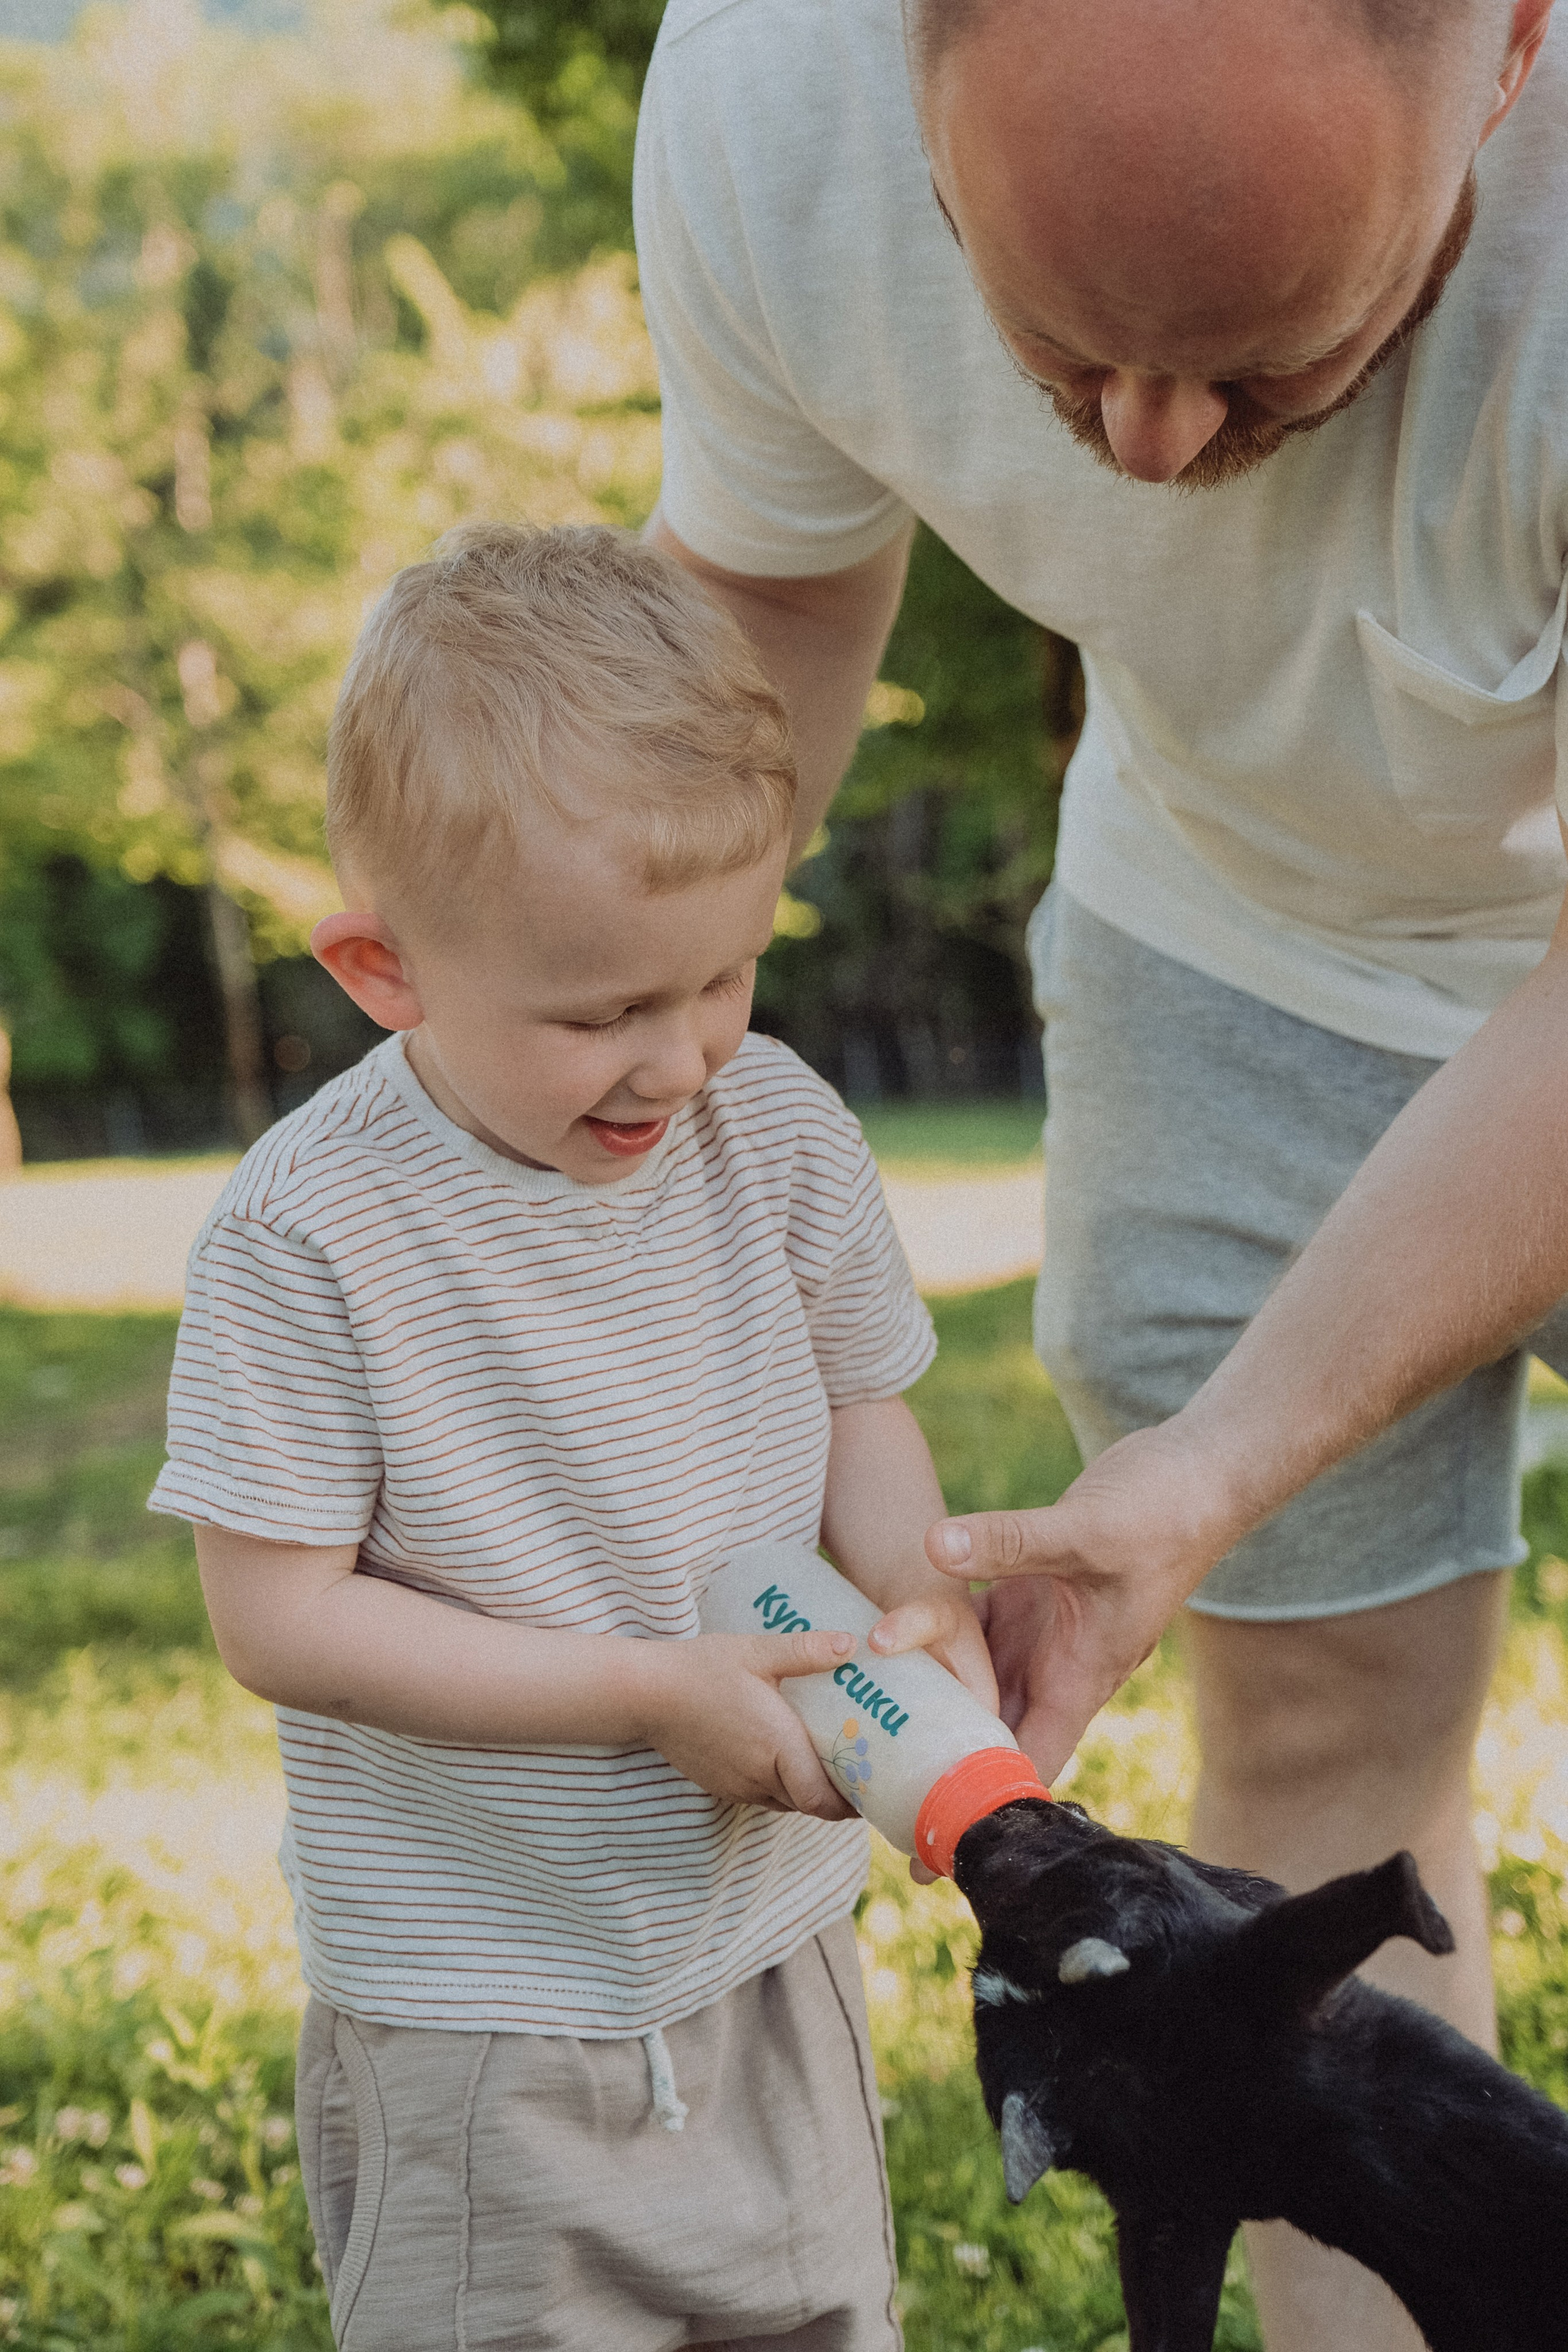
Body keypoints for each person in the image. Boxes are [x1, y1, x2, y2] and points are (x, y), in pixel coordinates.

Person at [631, 0, 1567, 2341]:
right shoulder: (771, 93)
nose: (1148, 455)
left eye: (1264, 350)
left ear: (1514, 53)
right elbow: (763, 596)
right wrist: (585, 1076)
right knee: (1319, 1741)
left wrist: (1228, 1449)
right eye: (1052, 333)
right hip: (1235, 918)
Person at [148, 520, 993, 2351]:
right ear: (386, 970)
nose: (681, 1059)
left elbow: (866, 1408)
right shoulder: (311, 1237)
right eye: (603, 1009)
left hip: (770, 1947)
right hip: (485, 2003)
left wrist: (922, 1600)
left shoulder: (770, 1133)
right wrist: (639, 1693)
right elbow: (276, 1619)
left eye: (719, 977)